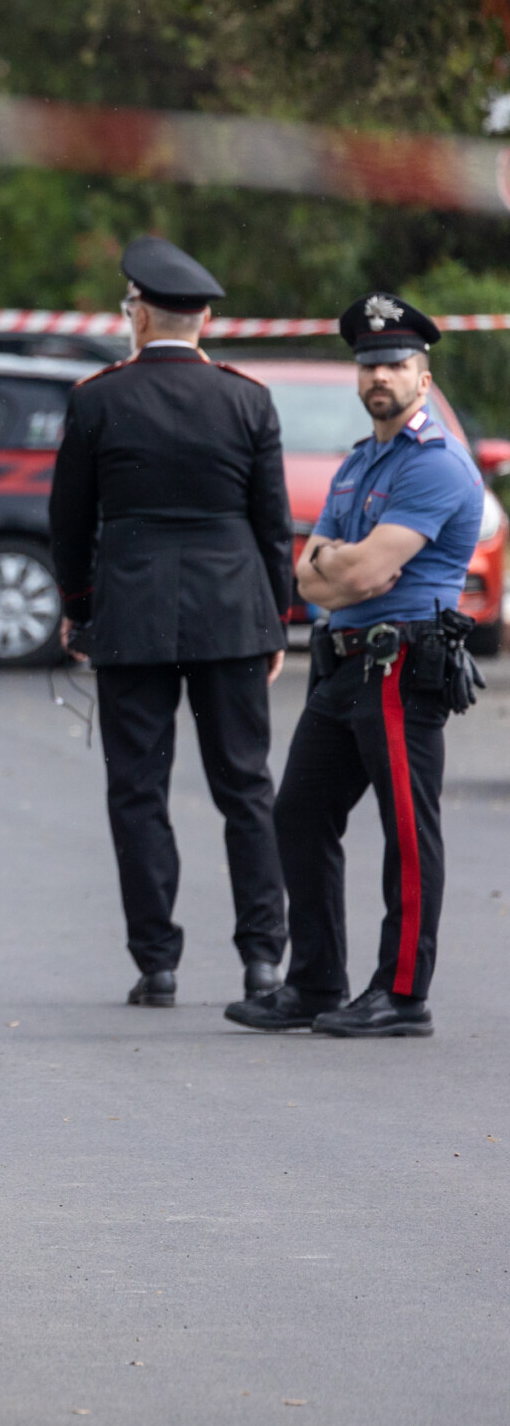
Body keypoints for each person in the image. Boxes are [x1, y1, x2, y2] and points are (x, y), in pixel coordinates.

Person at [227, 294, 485, 1039]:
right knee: (300, 814)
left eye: (397, 364)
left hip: (402, 664)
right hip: (341, 666)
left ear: (423, 375)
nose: (382, 375)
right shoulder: (358, 463)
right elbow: (306, 575)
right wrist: (333, 569)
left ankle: (403, 994)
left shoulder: (438, 467)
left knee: (407, 830)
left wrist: (337, 566)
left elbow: (365, 574)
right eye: (370, 363)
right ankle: (314, 984)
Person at [49, 235, 293, 1010]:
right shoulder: (248, 398)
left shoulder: (97, 398)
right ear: (206, 319)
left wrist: (79, 611)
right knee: (246, 788)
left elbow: (69, 522)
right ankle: (263, 958)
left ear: (140, 315)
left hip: (132, 614)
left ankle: (157, 962)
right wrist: (275, 623)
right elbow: (273, 525)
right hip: (233, 615)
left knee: (137, 791)